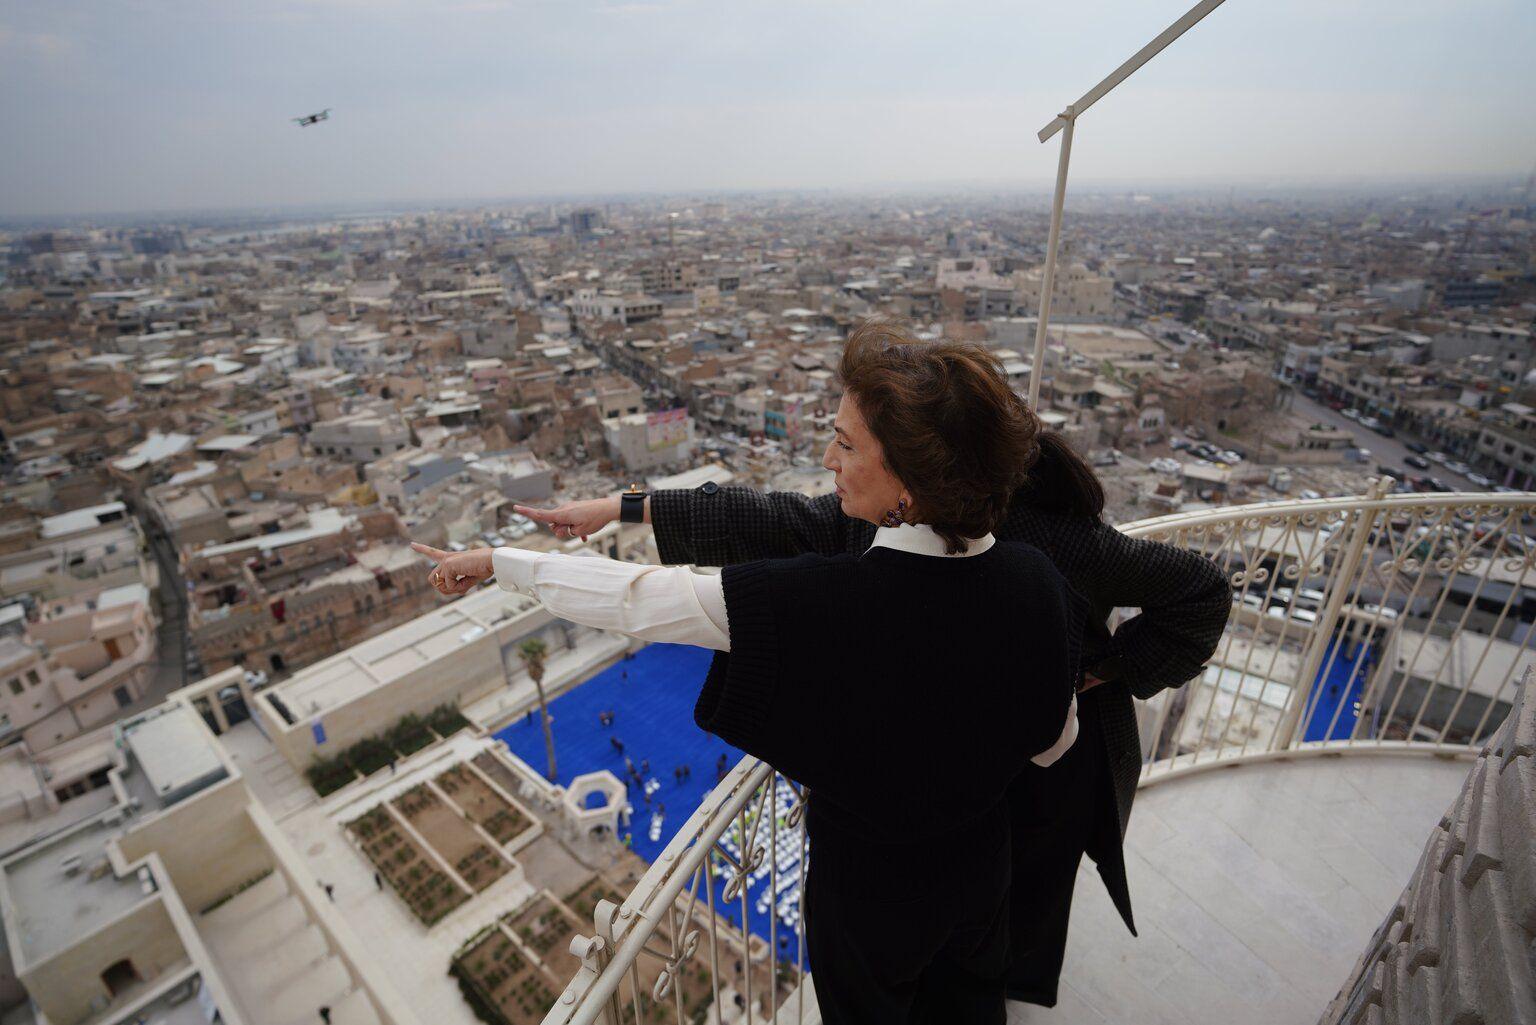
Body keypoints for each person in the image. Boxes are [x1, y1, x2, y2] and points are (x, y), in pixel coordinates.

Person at [509, 320, 1231, 1009]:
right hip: (977, 818)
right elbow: (770, 519)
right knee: (974, 947)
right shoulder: (912, 529)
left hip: (1016, 806)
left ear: (919, 465)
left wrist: (1098, 673)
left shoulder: (1057, 549)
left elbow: (1200, 596)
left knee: (1001, 929)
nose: (832, 463)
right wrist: (627, 506)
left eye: (848, 445)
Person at [414, 324, 1090, 1024]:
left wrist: (503, 564)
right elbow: (1053, 742)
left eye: (847, 444)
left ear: (911, 483)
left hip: (869, 902)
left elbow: (637, 598)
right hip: (982, 870)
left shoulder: (817, 602)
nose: (827, 456)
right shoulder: (1036, 581)